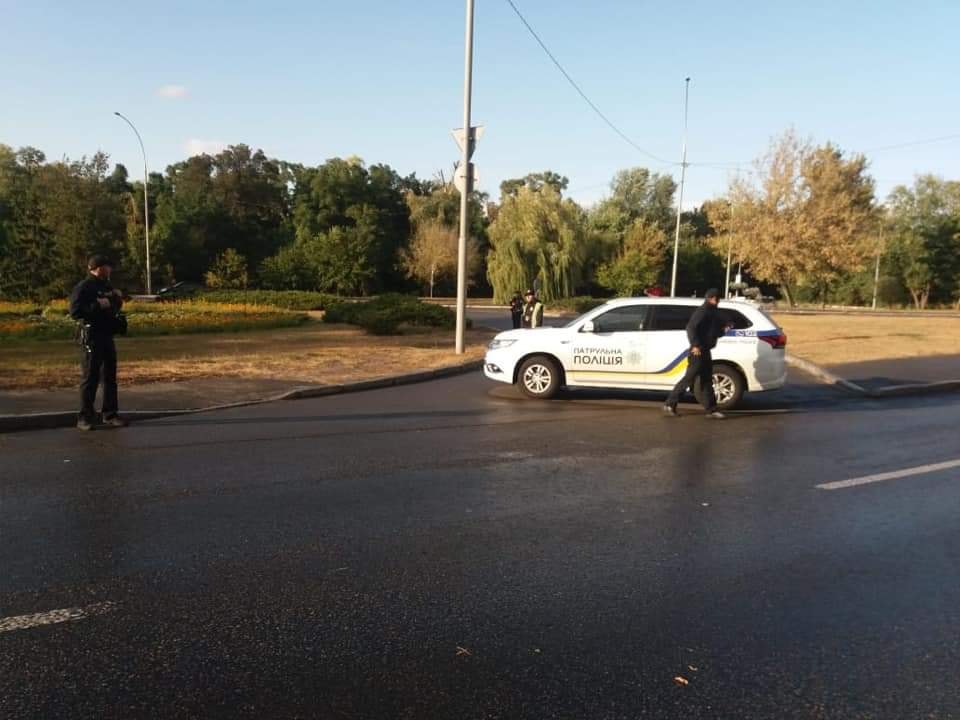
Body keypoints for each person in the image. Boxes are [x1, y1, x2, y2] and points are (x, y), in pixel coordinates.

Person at [69, 255, 127, 431]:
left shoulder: (107, 286)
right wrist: (96, 305)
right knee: (90, 377)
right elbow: (75, 311)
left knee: (110, 377)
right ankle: (85, 417)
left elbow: (114, 306)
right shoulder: (84, 287)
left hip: (107, 335)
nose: (110, 270)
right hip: (92, 336)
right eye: (107, 266)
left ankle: (110, 414)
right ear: (98, 268)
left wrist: (116, 299)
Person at [663, 288, 728, 419]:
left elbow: (712, 332)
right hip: (697, 351)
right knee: (689, 379)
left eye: (717, 298)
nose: (716, 301)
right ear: (709, 298)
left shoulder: (713, 312)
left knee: (706, 380)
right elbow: (691, 327)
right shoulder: (703, 311)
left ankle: (711, 410)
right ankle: (670, 404)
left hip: (706, 350)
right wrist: (695, 345)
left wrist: (723, 330)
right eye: (714, 298)